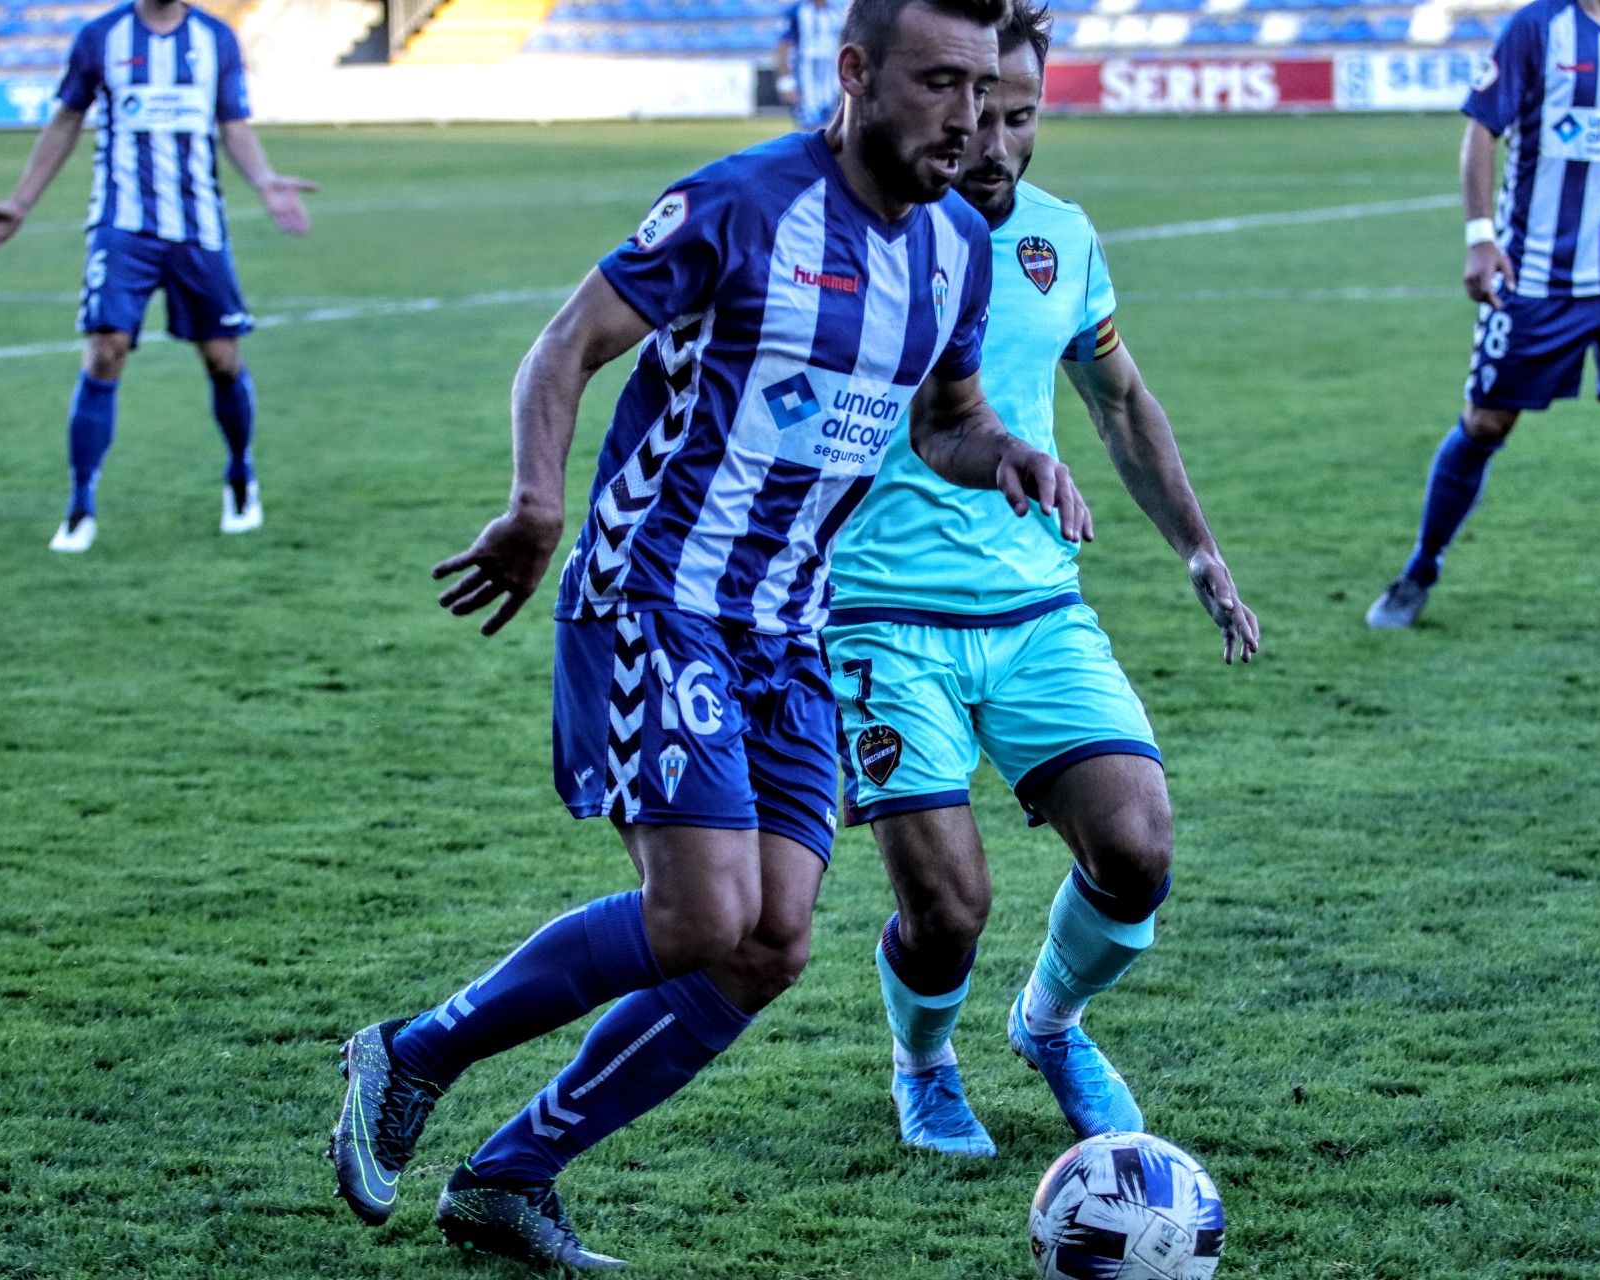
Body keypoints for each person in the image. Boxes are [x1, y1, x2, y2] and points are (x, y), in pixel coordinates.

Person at [329, 0, 1093, 1266]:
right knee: (697, 917)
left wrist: (1004, 452)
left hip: (790, 626)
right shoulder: (741, 205)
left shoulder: (960, 247)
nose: (965, 117)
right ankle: (408, 1054)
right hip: (655, 594)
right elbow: (565, 346)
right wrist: (534, 496)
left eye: (982, 88)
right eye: (937, 83)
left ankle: (511, 1173)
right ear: (854, 75)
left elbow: (945, 418)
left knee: (772, 941)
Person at [822, 1, 1258, 1160]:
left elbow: (1117, 397)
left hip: (1034, 604)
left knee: (1137, 847)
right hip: (879, 612)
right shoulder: (854, 232)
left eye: (1022, 116)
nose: (998, 143)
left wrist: (1199, 549)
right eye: (976, 112)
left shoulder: (1060, 237)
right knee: (950, 906)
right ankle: (924, 1062)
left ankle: (1051, 1023)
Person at [1365, 0, 1600, 635]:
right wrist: (1480, 237)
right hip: (1536, 274)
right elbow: (1481, 129)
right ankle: (1419, 569)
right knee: (1488, 421)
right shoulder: (1536, 27)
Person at [0, 0, 316, 554]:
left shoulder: (215, 39)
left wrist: (266, 180)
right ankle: (81, 505)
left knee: (223, 360)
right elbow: (65, 121)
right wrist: (20, 204)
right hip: (121, 226)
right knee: (106, 350)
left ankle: (240, 476)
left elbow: (233, 125)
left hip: (198, 228)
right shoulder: (100, 37)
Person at [777, 0, 849, 128]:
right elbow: (783, 47)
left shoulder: (837, 12)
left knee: (833, 131)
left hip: (831, 85)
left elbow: (843, 45)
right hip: (805, 87)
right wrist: (786, 84)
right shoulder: (797, 12)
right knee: (810, 133)